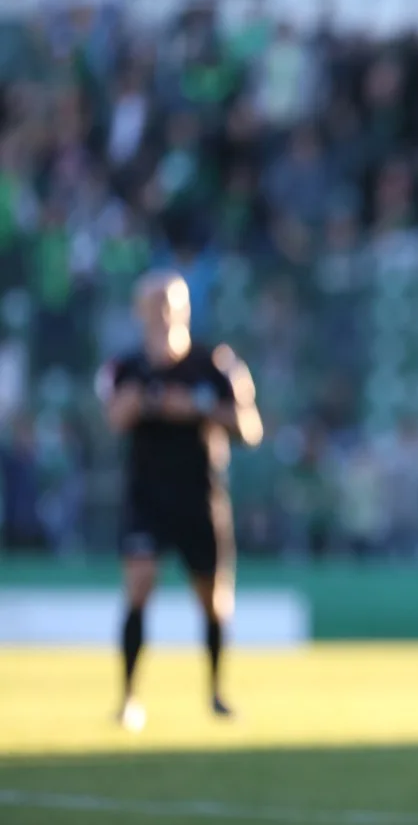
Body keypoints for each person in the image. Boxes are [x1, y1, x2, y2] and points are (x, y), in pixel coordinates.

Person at [96, 270, 263, 731]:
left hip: (200, 496)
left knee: (212, 600)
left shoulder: (216, 364)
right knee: (140, 584)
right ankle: (128, 697)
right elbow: (113, 418)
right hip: (147, 497)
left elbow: (250, 428)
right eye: (152, 303)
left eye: (169, 303)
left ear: (185, 308)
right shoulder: (126, 367)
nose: (161, 312)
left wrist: (198, 407)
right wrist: (147, 402)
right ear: (139, 311)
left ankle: (215, 693)